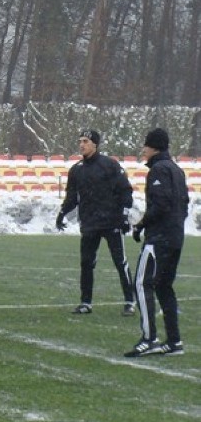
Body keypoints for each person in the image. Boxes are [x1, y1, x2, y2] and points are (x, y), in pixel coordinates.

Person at [55, 129, 135, 316]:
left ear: (95, 144)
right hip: (90, 223)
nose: (82, 144)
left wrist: (124, 216)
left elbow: (125, 191)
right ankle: (86, 303)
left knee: (120, 261)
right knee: (86, 263)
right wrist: (62, 213)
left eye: (86, 141)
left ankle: (130, 302)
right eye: (80, 140)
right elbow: (72, 197)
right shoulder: (76, 170)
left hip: (111, 222)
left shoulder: (110, 165)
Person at [124, 128, 189, 357]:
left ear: (154, 147)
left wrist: (142, 225)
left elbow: (160, 204)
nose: (143, 150)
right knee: (164, 286)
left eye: (146, 145)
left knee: (142, 284)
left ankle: (149, 338)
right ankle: (174, 341)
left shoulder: (159, 170)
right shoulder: (177, 171)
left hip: (159, 239)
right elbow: (184, 204)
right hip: (175, 238)